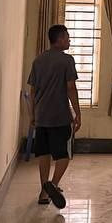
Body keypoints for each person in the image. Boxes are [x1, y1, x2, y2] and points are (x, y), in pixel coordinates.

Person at [27, 24, 81, 208]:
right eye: (67, 37)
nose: (69, 40)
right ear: (59, 39)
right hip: (60, 116)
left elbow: (33, 91)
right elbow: (71, 88)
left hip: (41, 115)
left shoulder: (38, 60)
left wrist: (32, 114)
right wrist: (77, 113)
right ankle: (54, 185)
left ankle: (44, 192)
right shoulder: (67, 60)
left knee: (44, 153)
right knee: (63, 155)